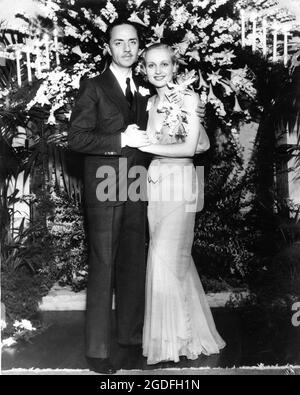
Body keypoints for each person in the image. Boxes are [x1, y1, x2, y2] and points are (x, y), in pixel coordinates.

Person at [68, 21, 151, 374]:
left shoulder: (146, 88)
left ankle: (130, 340)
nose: (127, 49)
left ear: (139, 47)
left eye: (132, 42)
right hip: (104, 184)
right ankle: (97, 350)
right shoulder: (94, 87)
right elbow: (77, 139)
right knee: (103, 266)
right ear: (108, 48)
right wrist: (120, 140)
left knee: (133, 262)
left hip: (137, 183)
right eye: (119, 43)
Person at [138, 44, 226, 365]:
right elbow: (203, 141)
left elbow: (191, 147)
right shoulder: (147, 103)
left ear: (175, 67)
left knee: (164, 256)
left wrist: (147, 144)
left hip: (181, 182)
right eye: (151, 65)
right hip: (155, 184)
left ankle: (175, 339)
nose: (158, 70)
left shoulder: (188, 99)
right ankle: (183, 333)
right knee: (173, 260)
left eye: (165, 64)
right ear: (144, 70)